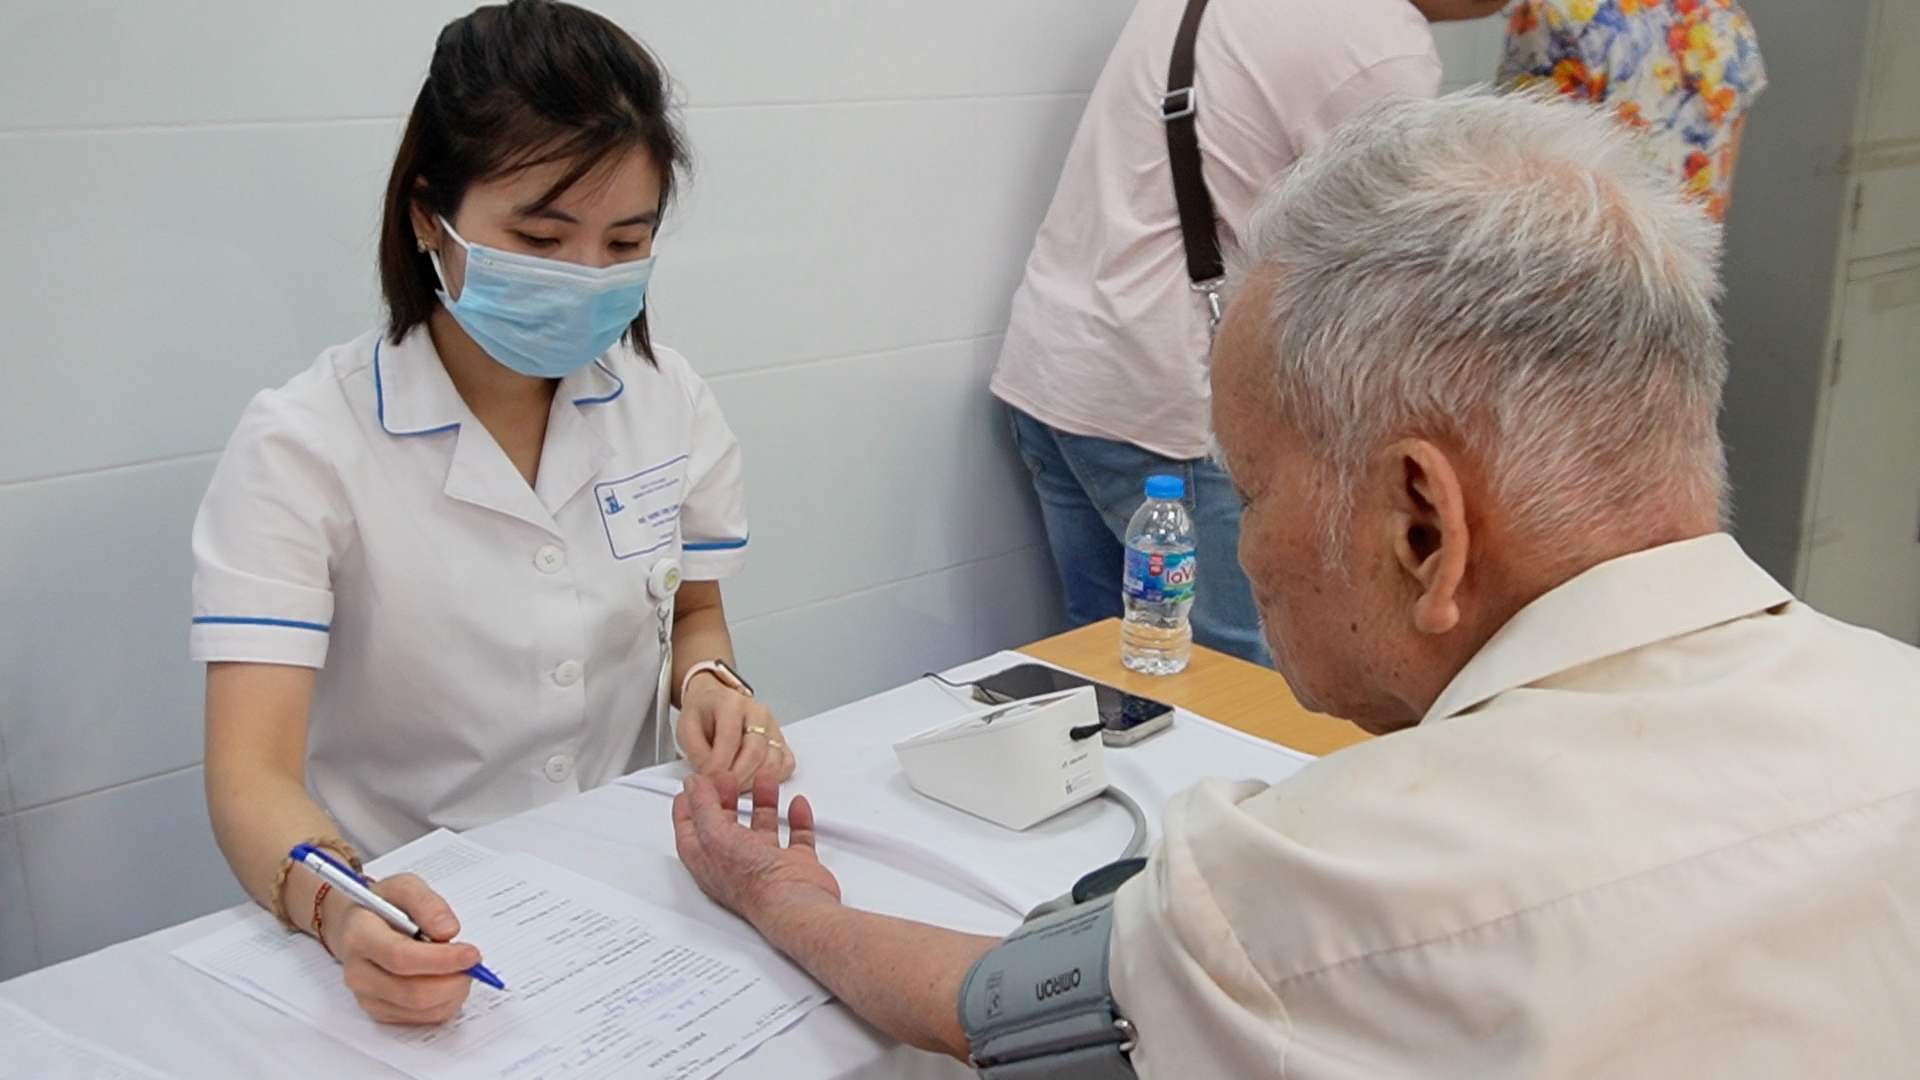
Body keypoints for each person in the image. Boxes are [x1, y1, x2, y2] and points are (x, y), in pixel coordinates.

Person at [673, 92, 1920, 1077]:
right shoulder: (1894, 703)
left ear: (1422, 525)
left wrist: (784, 894)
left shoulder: (1347, 879)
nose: (1246, 547)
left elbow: (993, 1015)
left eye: (1253, 489)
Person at [191, 0, 791, 1025]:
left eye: (625, 240)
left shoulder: (665, 396)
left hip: (640, 896)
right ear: (431, 215)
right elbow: (249, 775)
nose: (586, 277)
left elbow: (692, 614)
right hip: (422, 915)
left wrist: (713, 681)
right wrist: (348, 911)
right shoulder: (304, 443)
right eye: (542, 236)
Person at [991, 0, 1506, 666]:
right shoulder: (1379, 46)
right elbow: (1392, 271)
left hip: (1053, 363)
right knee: (1243, 683)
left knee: (1104, 681)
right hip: (1163, 405)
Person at [1500, 0, 1767, 221]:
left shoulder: (1552, 12)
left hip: (1575, 268)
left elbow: (1521, 182)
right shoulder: (1728, 19)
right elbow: (1723, 186)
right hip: (1683, 272)